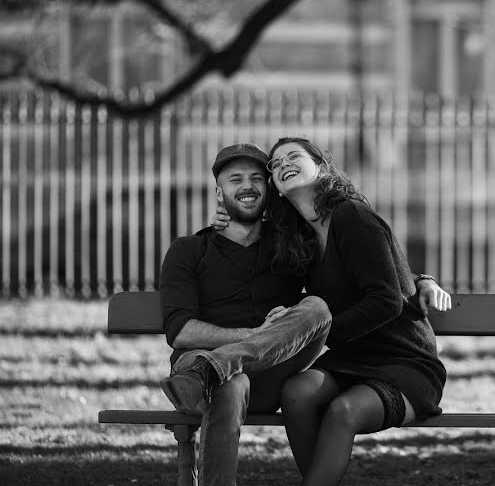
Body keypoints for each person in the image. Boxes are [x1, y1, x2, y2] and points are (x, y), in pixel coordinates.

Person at [158, 143, 450, 486]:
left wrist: (422, 280)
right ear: (219, 192)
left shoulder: (321, 232)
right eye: (236, 179)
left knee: (316, 310)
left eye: (257, 176)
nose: (249, 184)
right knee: (262, 387)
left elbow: (378, 277)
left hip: (376, 363)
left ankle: (215, 367)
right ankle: (215, 370)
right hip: (318, 363)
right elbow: (180, 332)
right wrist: (254, 337)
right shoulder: (212, 247)